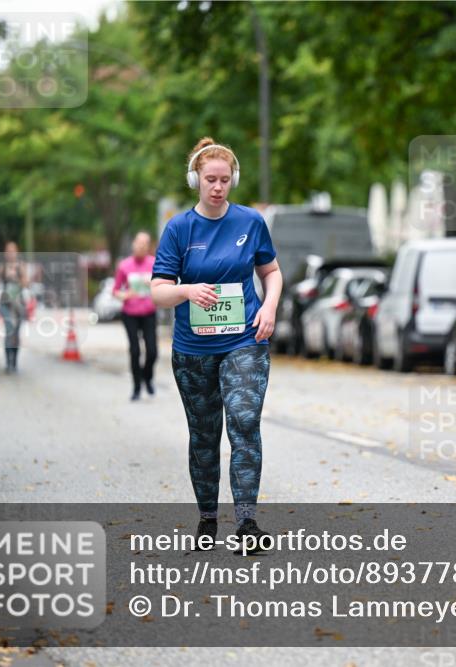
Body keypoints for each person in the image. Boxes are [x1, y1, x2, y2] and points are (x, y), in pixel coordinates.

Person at [150, 137, 283, 549]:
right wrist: (187, 291)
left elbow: (272, 272)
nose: (218, 187)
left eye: (225, 179)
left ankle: (246, 524)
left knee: (244, 423)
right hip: (193, 349)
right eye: (211, 179)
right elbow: (157, 290)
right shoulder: (179, 228)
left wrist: (269, 308)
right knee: (204, 434)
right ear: (196, 180)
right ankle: (208, 520)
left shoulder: (250, 222)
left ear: (233, 180)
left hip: (244, 339)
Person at [114, 231, 158, 401]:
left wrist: (153, 283)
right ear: (133, 244)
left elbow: (164, 283)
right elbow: (115, 290)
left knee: (152, 352)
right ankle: (136, 387)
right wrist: (125, 295)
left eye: (144, 243)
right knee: (134, 351)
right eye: (138, 242)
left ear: (148, 247)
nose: (141, 246)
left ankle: (147, 377)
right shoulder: (124, 265)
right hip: (130, 314)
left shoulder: (154, 263)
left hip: (149, 312)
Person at [0, 241, 27, 373]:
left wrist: (16, 277)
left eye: (12, 251)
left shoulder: (21, 266)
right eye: (8, 251)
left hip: (18, 303)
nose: (10, 254)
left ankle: (15, 362)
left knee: (16, 334)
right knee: (9, 331)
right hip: (6, 303)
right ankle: (8, 363)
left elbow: (26, 283)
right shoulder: (2, 267)